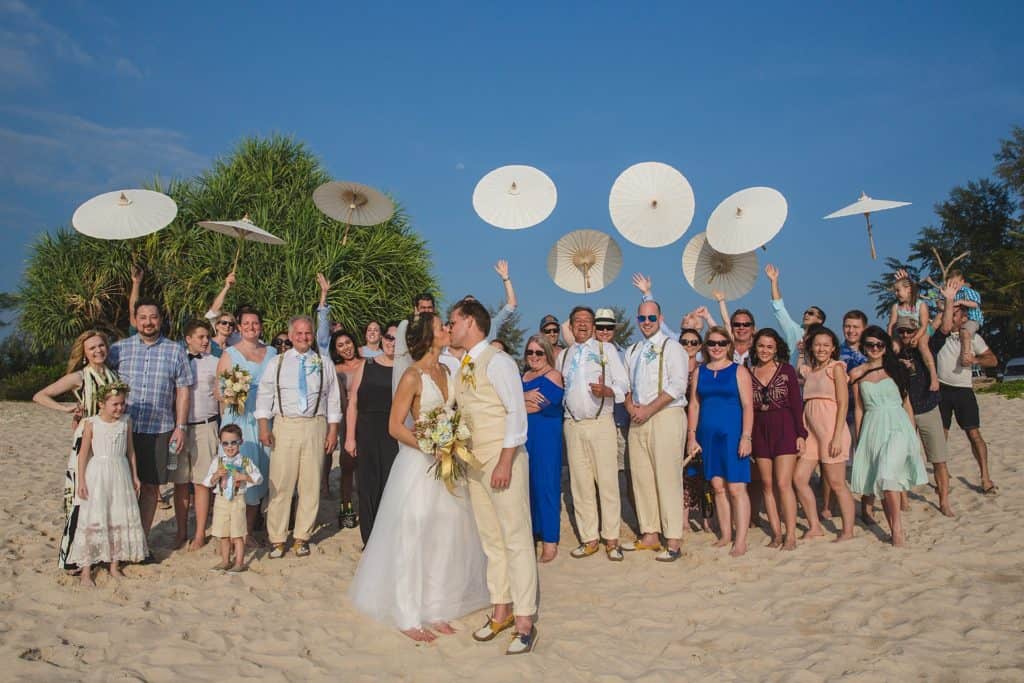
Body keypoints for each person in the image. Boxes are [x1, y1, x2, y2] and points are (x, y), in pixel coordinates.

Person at [349, 312, 489, 643]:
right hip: (418, 465)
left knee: (444, 537)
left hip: (446, 466)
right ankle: (407, 613)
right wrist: (431, 445)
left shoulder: (446, 370)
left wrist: (452, 443)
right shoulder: (412, 376)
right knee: (412, 539)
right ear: (428, 336)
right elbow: (395, 426)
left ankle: (436, 607)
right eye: (442, 327)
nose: (447, 329)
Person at [449, 299, 538, 655]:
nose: (449, 326)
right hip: (474, 464)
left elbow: (516, 415)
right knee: (491, 540)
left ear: (470, 322)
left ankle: (525, 618)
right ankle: (500, 608)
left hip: (503, 461)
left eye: (453, 321)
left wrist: (504, 462)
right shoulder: (463, 365)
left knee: (516, 538)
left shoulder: (499, 362)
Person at [255, 315, 342, 559]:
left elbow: (333, 398)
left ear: (312, 336)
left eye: (308, 333)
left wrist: (333, 430)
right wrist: (264, 427)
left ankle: (302, 536)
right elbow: (264, 395)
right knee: (281, 483)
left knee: (311, 484)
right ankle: (277, 538)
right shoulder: (278, 362)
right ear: (291, 336)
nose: (304, 337)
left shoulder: (324, 362)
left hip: (316, 425)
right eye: (299, 333)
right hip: (285, 425)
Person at [109, 299, 193, 547]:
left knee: (150, 488)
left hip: (159, 429)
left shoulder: (175, 350)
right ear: (135, 320)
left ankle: (140, 542)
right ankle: (116, 542)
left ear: (161, 319)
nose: (148, 322)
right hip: (123, 428)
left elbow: (183, 391)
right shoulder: (118, 349)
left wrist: (181, 426)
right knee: (120, 486)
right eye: (143, 317)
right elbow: (99, 382)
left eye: (153, 317)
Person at [34, 329, 120, 571]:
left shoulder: (115, 376)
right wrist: (66, 410)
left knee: (106, 499)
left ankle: (102, 554)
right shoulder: (80, 377)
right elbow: (40, 395)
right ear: (84, 353)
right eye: (92, 348)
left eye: (101, 346)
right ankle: (75, 556)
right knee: (82, 497)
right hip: (86, 443)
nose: (98, 351)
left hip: (109, 445)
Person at [558, 306, 629, 562]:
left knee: (608, 483)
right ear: (571, 325)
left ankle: (611, 539)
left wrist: (609, 391)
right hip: (573, 425)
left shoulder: (606, 349)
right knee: (580, 485)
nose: (583, 325)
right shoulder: (563, 355)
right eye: (577, 321)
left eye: (587, 321)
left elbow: (624, 384)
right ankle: (589, 539)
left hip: (601, 423)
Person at [849, 327, 928, 547]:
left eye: (879, 345)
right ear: (864, 347)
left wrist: (914, 437)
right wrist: (859, 438)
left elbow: (906, 404)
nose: (874, 349)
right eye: (870, 345)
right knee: (882, 480)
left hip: (898, 425)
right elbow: (858, 409)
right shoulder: (856, 373)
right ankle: (894, 528)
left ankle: (898, 530)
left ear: (885, 346)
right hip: (873, 427)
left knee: (886, 473)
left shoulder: (897, 369)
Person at [623, 301, 688, 562]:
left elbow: (678, 385)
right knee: (641, 477)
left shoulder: (672, 347)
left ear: (660, 318)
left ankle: (673, 539)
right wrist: (630, 406)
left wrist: (649, 409)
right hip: (638, 418)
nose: (646, 322)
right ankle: (649, 533)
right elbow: (624, 384)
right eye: (642, 318)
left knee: (668, 477)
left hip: (666, 415)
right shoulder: (632, 350)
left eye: (651, 317)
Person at [67, 381, 147, 586]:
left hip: (120, 472)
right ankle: (86, 569)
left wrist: (135, 476)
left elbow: (131, 452)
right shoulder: (91, 423)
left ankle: (114, 565)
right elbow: (83, 454)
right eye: (115, 404)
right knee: (93, 516)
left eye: (122, 404)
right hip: (98, 473)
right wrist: (81, 480)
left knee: (117, 516)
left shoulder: (126, 422)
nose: (119, 408)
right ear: (102, 403)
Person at [687, 327, 754, 557]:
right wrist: (691, 436)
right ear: (706, 346)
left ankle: (741, 539)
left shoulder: (739, 371)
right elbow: (694, 405)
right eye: (712, 343)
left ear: (729, 346)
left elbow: (748, 406)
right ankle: (725, 534)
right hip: (708, 436)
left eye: (721, 343)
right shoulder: (699, 372)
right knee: (717, 487)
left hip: (733, 435)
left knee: (736, 487)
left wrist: (746, 436)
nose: (716, 347)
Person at [930, 276, 1000, 495]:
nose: (959, 315)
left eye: (960, 312)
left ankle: (985, 477)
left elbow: (993, 360)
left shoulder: (972, 338)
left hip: (963, 390)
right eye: (957, 311)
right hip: (941, 390)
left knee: (974, 434)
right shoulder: (938, 337)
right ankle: (944, 477)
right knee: (940, 437)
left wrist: (976, 360)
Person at [215, 305, 277, 543]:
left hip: (264, 419)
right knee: (237, 471)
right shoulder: (230, 353)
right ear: (239, 327)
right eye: (246, 324)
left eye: (256, 323)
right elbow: (219, 391)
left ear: (261, 326)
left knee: (258, 472)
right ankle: (231, 532)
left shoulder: (271, 352)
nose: (251, 327)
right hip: (239, 418)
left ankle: (248, 531)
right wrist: (232, 392)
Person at [795, 326, 856, 541]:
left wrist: (838, 436)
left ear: (833, 349)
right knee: (799, 478)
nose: (821, 349)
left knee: (837, 483)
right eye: (817, 344)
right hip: (811, 431)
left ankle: (848, 530)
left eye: (826, 345)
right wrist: (801, 352)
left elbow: (843, 402)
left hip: (831, 430)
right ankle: (814, 526)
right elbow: (799, 369)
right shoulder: (811, 370)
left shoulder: (836, 368)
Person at [749, 328, 806, 550]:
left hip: (784, 427)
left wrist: (801, 434)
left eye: (769, 347)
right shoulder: (748, 371)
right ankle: (777, 534)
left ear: (776, 349)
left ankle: (791, 534)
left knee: (783, 483)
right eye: (761, 346)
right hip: (759, 430)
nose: (765, 350)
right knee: (767, 484)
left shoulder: (787, 370)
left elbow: (796, 404)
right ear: (756, 347)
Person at [345, 322, 400, 545]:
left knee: (390, 485)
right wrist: (350, 437)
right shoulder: (366, 365)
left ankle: (386, 539)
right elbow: (353, 403)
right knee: (367, 486)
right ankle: (368, 541)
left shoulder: (406, 370)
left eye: (397, 338)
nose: (391, 342)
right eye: (388, 337)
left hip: (393, 435)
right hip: (366, 432)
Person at [895, 319, 954, 517]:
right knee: (901, 458)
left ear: (917, 331)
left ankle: (944, 501)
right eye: (901, 332)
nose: (905, 335)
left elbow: (945, 327)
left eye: (909, 331)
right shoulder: (892, 353)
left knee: (939, 459)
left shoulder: (927, 346)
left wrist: (948, 299)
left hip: (928, 407)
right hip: (903, 411)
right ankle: (903, 500)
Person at [593, 307, 640, 538]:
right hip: (597, 422)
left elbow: (629, 388)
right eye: (599, 327)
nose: (603, 331)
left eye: (608, 327)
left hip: (621, 422)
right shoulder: (584, 352)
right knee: (598, 478)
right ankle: (604, 525)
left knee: (630, 476)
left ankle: (640, 523)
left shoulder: (625, 353)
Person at [174, 320, 220, 551]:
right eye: (200, 337)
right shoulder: (175, 359)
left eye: (207, 337)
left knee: (202, 481)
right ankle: (181, 531)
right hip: (179, 428)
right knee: (181, 482)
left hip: (206, 426)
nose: (205, 341)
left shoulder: (215, 363)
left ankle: (200, 532)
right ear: (188, 339)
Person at [521, 334, 564, 563]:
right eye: (530, 352)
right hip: (524, 438)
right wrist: (523, 397)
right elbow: (514, 406)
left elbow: (535, 408)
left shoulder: (554, 376)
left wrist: (521, 402)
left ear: (547, 353)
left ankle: (550, 541)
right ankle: (533, 533)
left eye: (539, 352)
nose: (534, 357)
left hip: (546, 440)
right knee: (527, 487)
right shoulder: (523, 377)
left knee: (546, 487)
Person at [203, 424, 263, 573]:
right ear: (221, 444)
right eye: (225, 443)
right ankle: (225, 561)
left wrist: (244, 477)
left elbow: (259, 478)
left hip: (237, 499)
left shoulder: (245, 461)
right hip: (221, 499)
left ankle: (239, 562)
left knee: (238, 533)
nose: (230, 447)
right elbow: (206, 482)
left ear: (240, 442)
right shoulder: (218, 462)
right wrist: (216, 475)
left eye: (233, 442)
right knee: (223, 533)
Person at [329, 330, 364, 522]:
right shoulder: (336, 370)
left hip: (366, 417)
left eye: (348, 343)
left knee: (366, 463)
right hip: (346, 418)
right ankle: (346, 504)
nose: (346, 348)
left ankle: (366, 502)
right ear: (336, 350)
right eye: (340, 345)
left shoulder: (367, 363)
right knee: (347, 463)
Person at [764, 264, 826, 366]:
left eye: (810, 313)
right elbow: (779, 308)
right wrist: (774, 281)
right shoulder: (794, 329)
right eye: (805, 312)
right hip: (793, 375)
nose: (806, 315)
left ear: (820, 320)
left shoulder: (825, 337)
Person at [887, 271, 939, 392]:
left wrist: (916, 337)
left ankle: (933, 376)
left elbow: (924, 324)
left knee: (922, 345)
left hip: (922, 330)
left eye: (898, 290)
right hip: (903, 330)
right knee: (894, 348)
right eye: (895, 291)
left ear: (908, 289)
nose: (896, 293)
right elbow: (892, 324)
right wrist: (890, 339)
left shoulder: (921, 305)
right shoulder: (896, 307)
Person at [949, 270, 984, 367]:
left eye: (955, 283)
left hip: (972, 320)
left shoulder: (969, 292)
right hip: (958, 321)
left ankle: (966, 356)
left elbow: (975, 304)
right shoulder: (953, 294)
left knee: (965, 332)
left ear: (962, 282)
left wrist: (961, 302)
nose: (954, 285)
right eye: (951, 283)